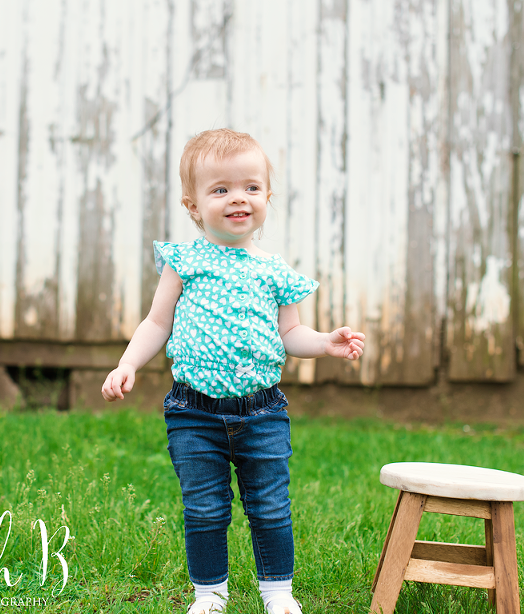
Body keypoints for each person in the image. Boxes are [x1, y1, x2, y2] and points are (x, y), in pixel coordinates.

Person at [101, 129, 365, 614]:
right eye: (220, 189)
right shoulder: (184, 262)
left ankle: (277, 592)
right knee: (204, 508)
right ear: (193, 206)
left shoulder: (274, 271)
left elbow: (290, 333)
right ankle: (210, 595)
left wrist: (324, 343)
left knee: (270, 505)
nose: (238, 198)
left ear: (267, 197)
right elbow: (157, 322)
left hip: (262, 413)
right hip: (194, 412)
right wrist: (128, 363)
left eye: (250, 187)